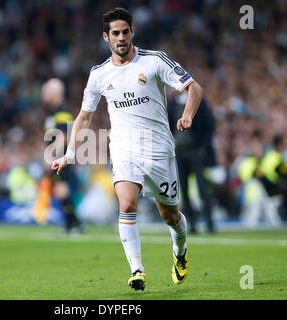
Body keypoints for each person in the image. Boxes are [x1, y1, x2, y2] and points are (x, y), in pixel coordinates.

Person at [51, 8, 203, 291]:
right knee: (126, 204)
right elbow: (85, 116)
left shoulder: (155, 61)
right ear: (105, 37)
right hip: (123, 150)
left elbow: (194, 88)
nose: (121, 38)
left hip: (159, 150)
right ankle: (137, 270)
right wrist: (70, 154)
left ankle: (180, 251)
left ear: (132, 32)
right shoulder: (99, 74)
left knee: (170, 216)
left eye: (125, 32)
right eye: (115, 34)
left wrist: (188, 116)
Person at [167, 95, 215, 233]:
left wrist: (202, 147)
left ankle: (209, 223)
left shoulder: (198, 101)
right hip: (179, 152)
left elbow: (209, 124)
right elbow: (168, 126)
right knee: (184, 189)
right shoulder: (171, 103)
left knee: (202, 187)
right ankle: (191, 224)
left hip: (195, 149)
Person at [43, 78, 84, 234]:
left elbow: (63, 135)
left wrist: (52, 156)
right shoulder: (54, 113)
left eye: (46, 91)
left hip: (61, 158)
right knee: (60, 191)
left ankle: (74, 223)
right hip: (60, 157)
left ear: (55, 93)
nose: (43, 95)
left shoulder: (61, 112)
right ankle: (71, 223)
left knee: (62, 190)